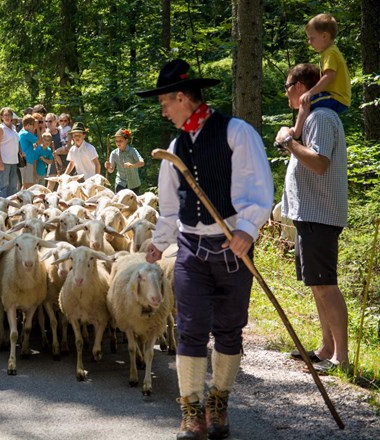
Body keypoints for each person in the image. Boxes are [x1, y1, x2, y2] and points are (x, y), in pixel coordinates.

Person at [139, 59, 273, 440]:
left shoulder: (236, 132)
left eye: (165, 103)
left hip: (233, 248)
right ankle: (191, 410)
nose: (163, 111)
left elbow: (259, 189)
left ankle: (219, 401)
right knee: (191, 328)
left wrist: (247, 230)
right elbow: (169, 207)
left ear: (182, 97)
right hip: (192, 250)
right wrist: (159, 242)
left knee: (230, 329)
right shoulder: (175, 148)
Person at [275, 63, 349, 375]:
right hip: (309, 214)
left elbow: (319, 163)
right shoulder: (312, 117)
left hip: (320, 214)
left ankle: (341, 358)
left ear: (304, 85)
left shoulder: (321, 117)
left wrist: (289, 143)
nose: (286, 92)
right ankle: (326, 348)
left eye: (289, 85)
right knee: (317, 284)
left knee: (325, 284)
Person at [290, 13, 350, 140]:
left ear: (324, 36)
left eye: (312, 38)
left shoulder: (330, 53)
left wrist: (310, 93)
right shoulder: (330, 52)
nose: (309, 42)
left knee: (304, 101)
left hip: (336, 97)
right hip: (336, 97)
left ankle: (296, 133)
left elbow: (329, 76)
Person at [104, 128, 144, 194]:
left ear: (126, 140)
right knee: (119, 203)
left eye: (120, 141)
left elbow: (142, 163)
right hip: (120, 183)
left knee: (133, 203)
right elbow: (111, 170)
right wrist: (108, 167)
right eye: (116, 141)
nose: (118, 143)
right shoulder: (114, 153)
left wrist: (132, 165)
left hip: (134, 183)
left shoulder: (132, 151)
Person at [0, 107, 20, 197]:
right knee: (3, 186)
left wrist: (20, 151)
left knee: (13, 187)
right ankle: (1, 208)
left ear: (12, 117)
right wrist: (0, 162)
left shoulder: (13, 128)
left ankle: (11, 208)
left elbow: (16, 142)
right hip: (4, 161)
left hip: (13, 161)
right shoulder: (0, 128)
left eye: (9, 115)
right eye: (5, 115)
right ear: (1, 117)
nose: (7, 117)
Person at [18, 115, 40, 190]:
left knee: (27, 184)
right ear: (28, 125)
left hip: (26, 161)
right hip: (26, 161)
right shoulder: (26, 134)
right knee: (27, 185)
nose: (34, 127)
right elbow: (40, 141)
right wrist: (38, 129)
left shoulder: (22, 132)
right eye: (33, 125)